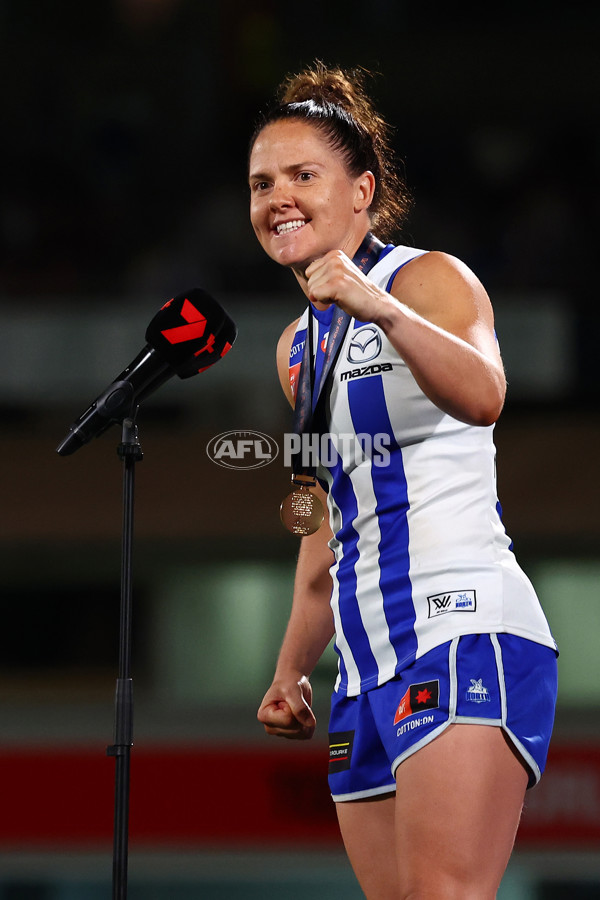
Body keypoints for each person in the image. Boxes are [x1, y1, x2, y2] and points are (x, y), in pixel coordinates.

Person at [250, 62, 557, 900]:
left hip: (461, 625)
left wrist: (376, 305)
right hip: (363, 662)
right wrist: (289, 669)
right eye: (262, 182)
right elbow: (327, 522)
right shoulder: (295, 351)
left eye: (303, 175)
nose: (278, 195)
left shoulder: (426, 280)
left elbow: (487, 394)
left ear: (362, 191)